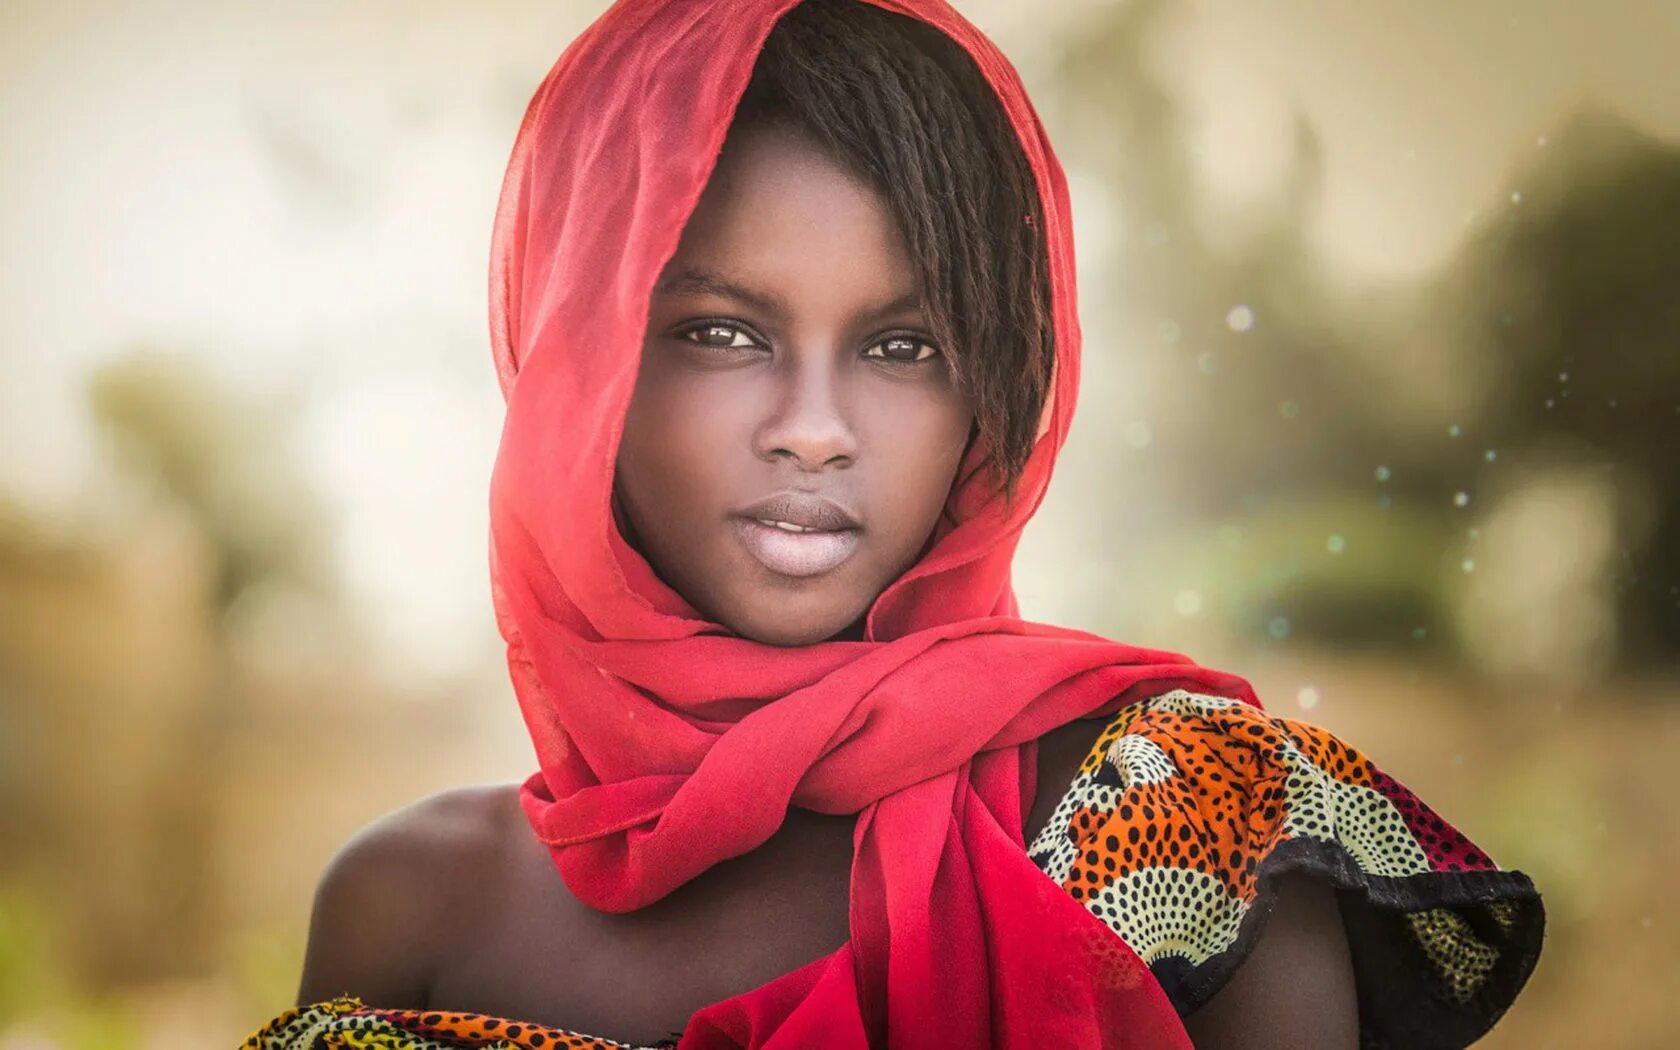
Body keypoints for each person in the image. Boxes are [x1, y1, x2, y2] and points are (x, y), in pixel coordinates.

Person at [243, 0, 1544, 1046]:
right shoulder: (408, 905)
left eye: (904, 343)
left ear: (992, 387)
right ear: (577, 362)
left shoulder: (1186, 815)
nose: (815, 426)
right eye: (721, 331)